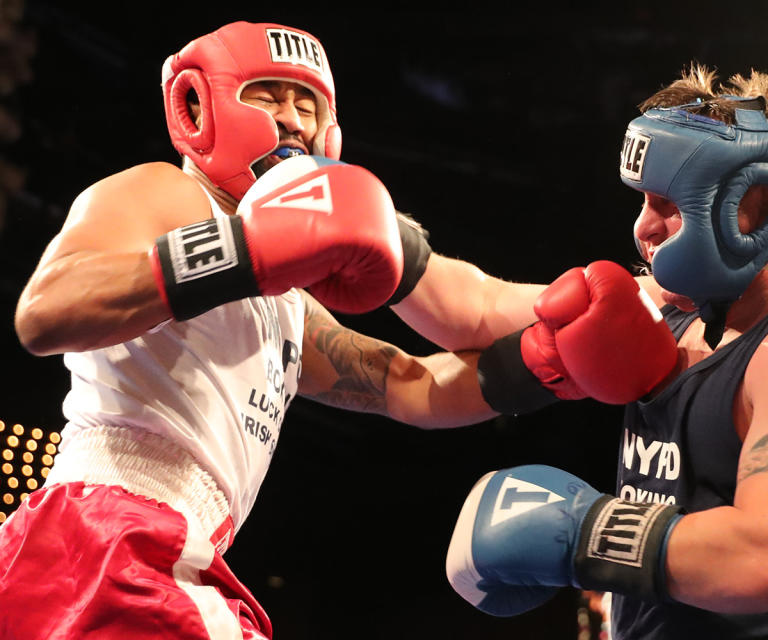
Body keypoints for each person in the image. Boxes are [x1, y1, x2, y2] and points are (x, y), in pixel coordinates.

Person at [3, 21, 501, 639]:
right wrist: (242, 248)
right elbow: (46, 310)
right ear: (200, 108)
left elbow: (409, 384)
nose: (291, 120)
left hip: (148, 548)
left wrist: (547, 364)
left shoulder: (288, 299)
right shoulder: (170, 192)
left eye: (307, 104)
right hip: (113, 535)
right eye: (267, 96)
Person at [413, 66, 768, 639]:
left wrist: (582, 532)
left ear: (753, 205)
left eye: (668, 204)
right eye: (645, 203)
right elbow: (477, 310)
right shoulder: (669, 308)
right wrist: (380, 251)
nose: (644, 230)